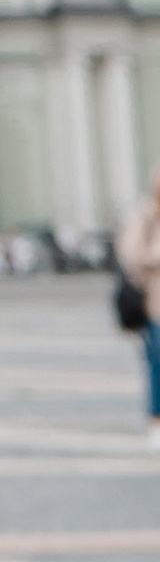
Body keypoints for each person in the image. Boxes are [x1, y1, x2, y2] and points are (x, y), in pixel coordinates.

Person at [118, 170, 160, 449]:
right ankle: (156, 421)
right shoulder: (145, 217)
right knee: (157, 367)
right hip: (155, 307)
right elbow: (130, 257)